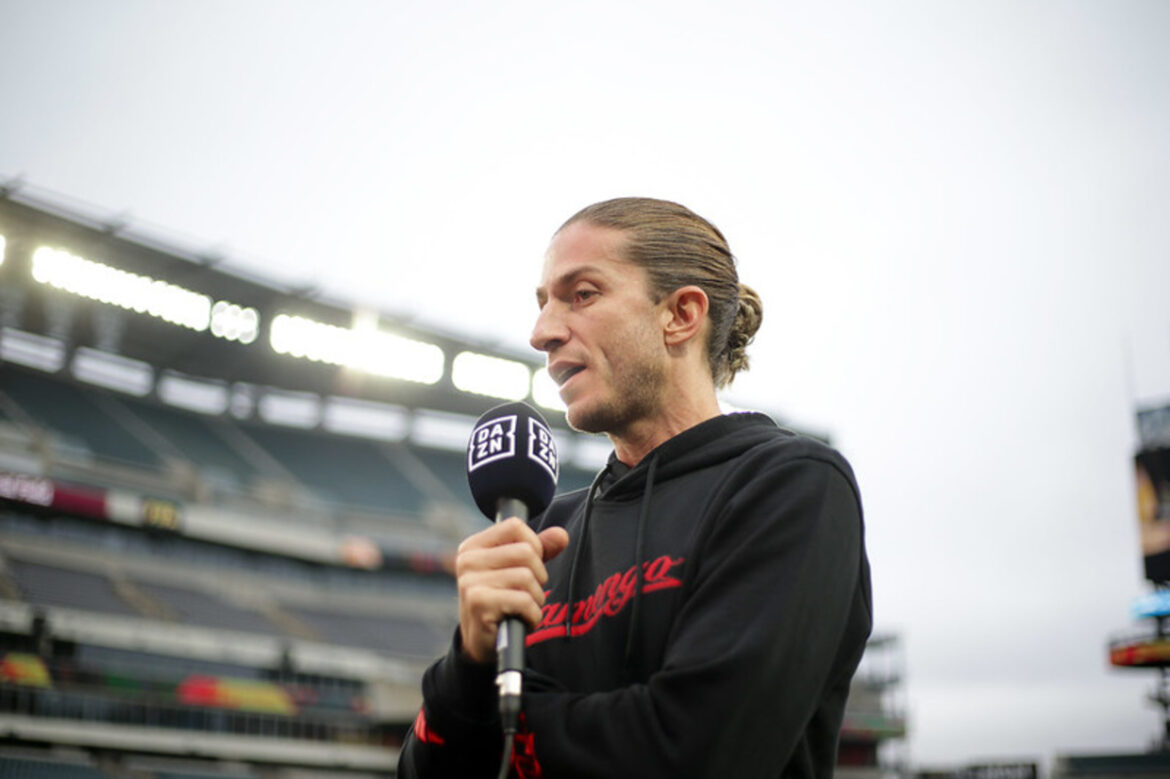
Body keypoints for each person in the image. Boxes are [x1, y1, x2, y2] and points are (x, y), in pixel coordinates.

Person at [397, 197, 872, 778]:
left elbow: (695, 754)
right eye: (543, 302)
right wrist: (468, 664)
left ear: (680, 315)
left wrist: (505, 721)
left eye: (583, 294)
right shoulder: (546, 533)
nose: (541, 332)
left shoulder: (789, 486)